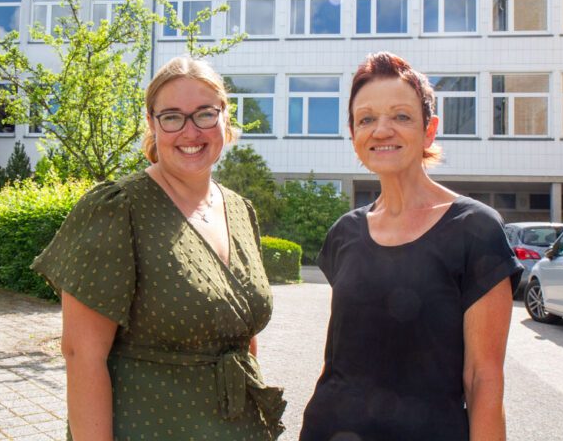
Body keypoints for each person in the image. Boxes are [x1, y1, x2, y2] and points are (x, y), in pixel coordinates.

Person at [32, 56, 285, 441]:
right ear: (152, 123)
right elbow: (82, 355)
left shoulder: (240, 209)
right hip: (153, 426)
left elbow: (243, 336)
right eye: (171, 116)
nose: (190, 131)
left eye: (204, 114)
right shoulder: (118, 208)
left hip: (241, 428)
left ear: (224, 118)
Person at [300, 52, 522, 441]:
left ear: (429, 129)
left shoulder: (475, 229)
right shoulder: (344, 233)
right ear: (353, 134)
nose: (382, 130)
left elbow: (483, 379)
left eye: (400, 116)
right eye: (366, 119)